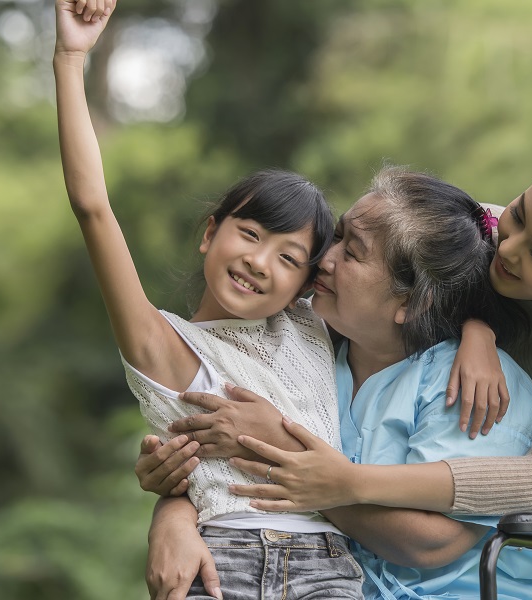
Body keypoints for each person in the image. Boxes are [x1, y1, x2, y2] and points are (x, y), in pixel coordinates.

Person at [141, 141, 532, 593]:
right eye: (517, 214)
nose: (505, 251)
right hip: (369, 542)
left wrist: (342, 481)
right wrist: (174, 506)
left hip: (504, 491)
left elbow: (531, 483)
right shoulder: (462, 241)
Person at [53, 2, 363, 599]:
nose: (257, 261)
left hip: (329, 568)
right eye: (249, 234)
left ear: (308, 283)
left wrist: (478, 332)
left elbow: (458, 239)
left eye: (287, 257)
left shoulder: (316, 326)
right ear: (209, 234)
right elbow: (91, 204)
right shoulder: (164, 347)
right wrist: (70, 58)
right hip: (223, 565)